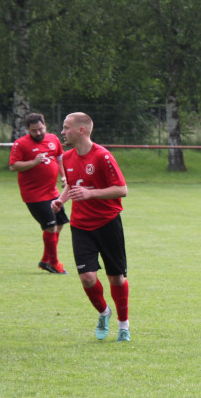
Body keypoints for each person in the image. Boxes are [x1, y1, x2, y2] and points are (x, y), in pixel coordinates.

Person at [51, 112, 132, 341]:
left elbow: (122, 190)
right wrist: (60, 199)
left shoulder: (103, 156)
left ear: (81, 130)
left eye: (66, 128)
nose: (62, 132)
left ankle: (123, 325)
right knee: (87, 277)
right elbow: (73, 185)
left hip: (108, 223)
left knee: (116, 278)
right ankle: (104, 312)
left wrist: (90, 194)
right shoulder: (67, 158)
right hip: (81, 225)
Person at [9, 113, 70, 274]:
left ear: (45, 126)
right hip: (34, 195)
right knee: (50, 227)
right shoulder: (20, 144)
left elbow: (59, 157)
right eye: (34, 130)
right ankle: (54, 263)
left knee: (60, 223)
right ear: (28, 129)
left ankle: (45, 260)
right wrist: (34, 162)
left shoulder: (53, 139)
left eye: (40, 129)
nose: (38, 133)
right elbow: (14, 166)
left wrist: (64, 176)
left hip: (52, 192)